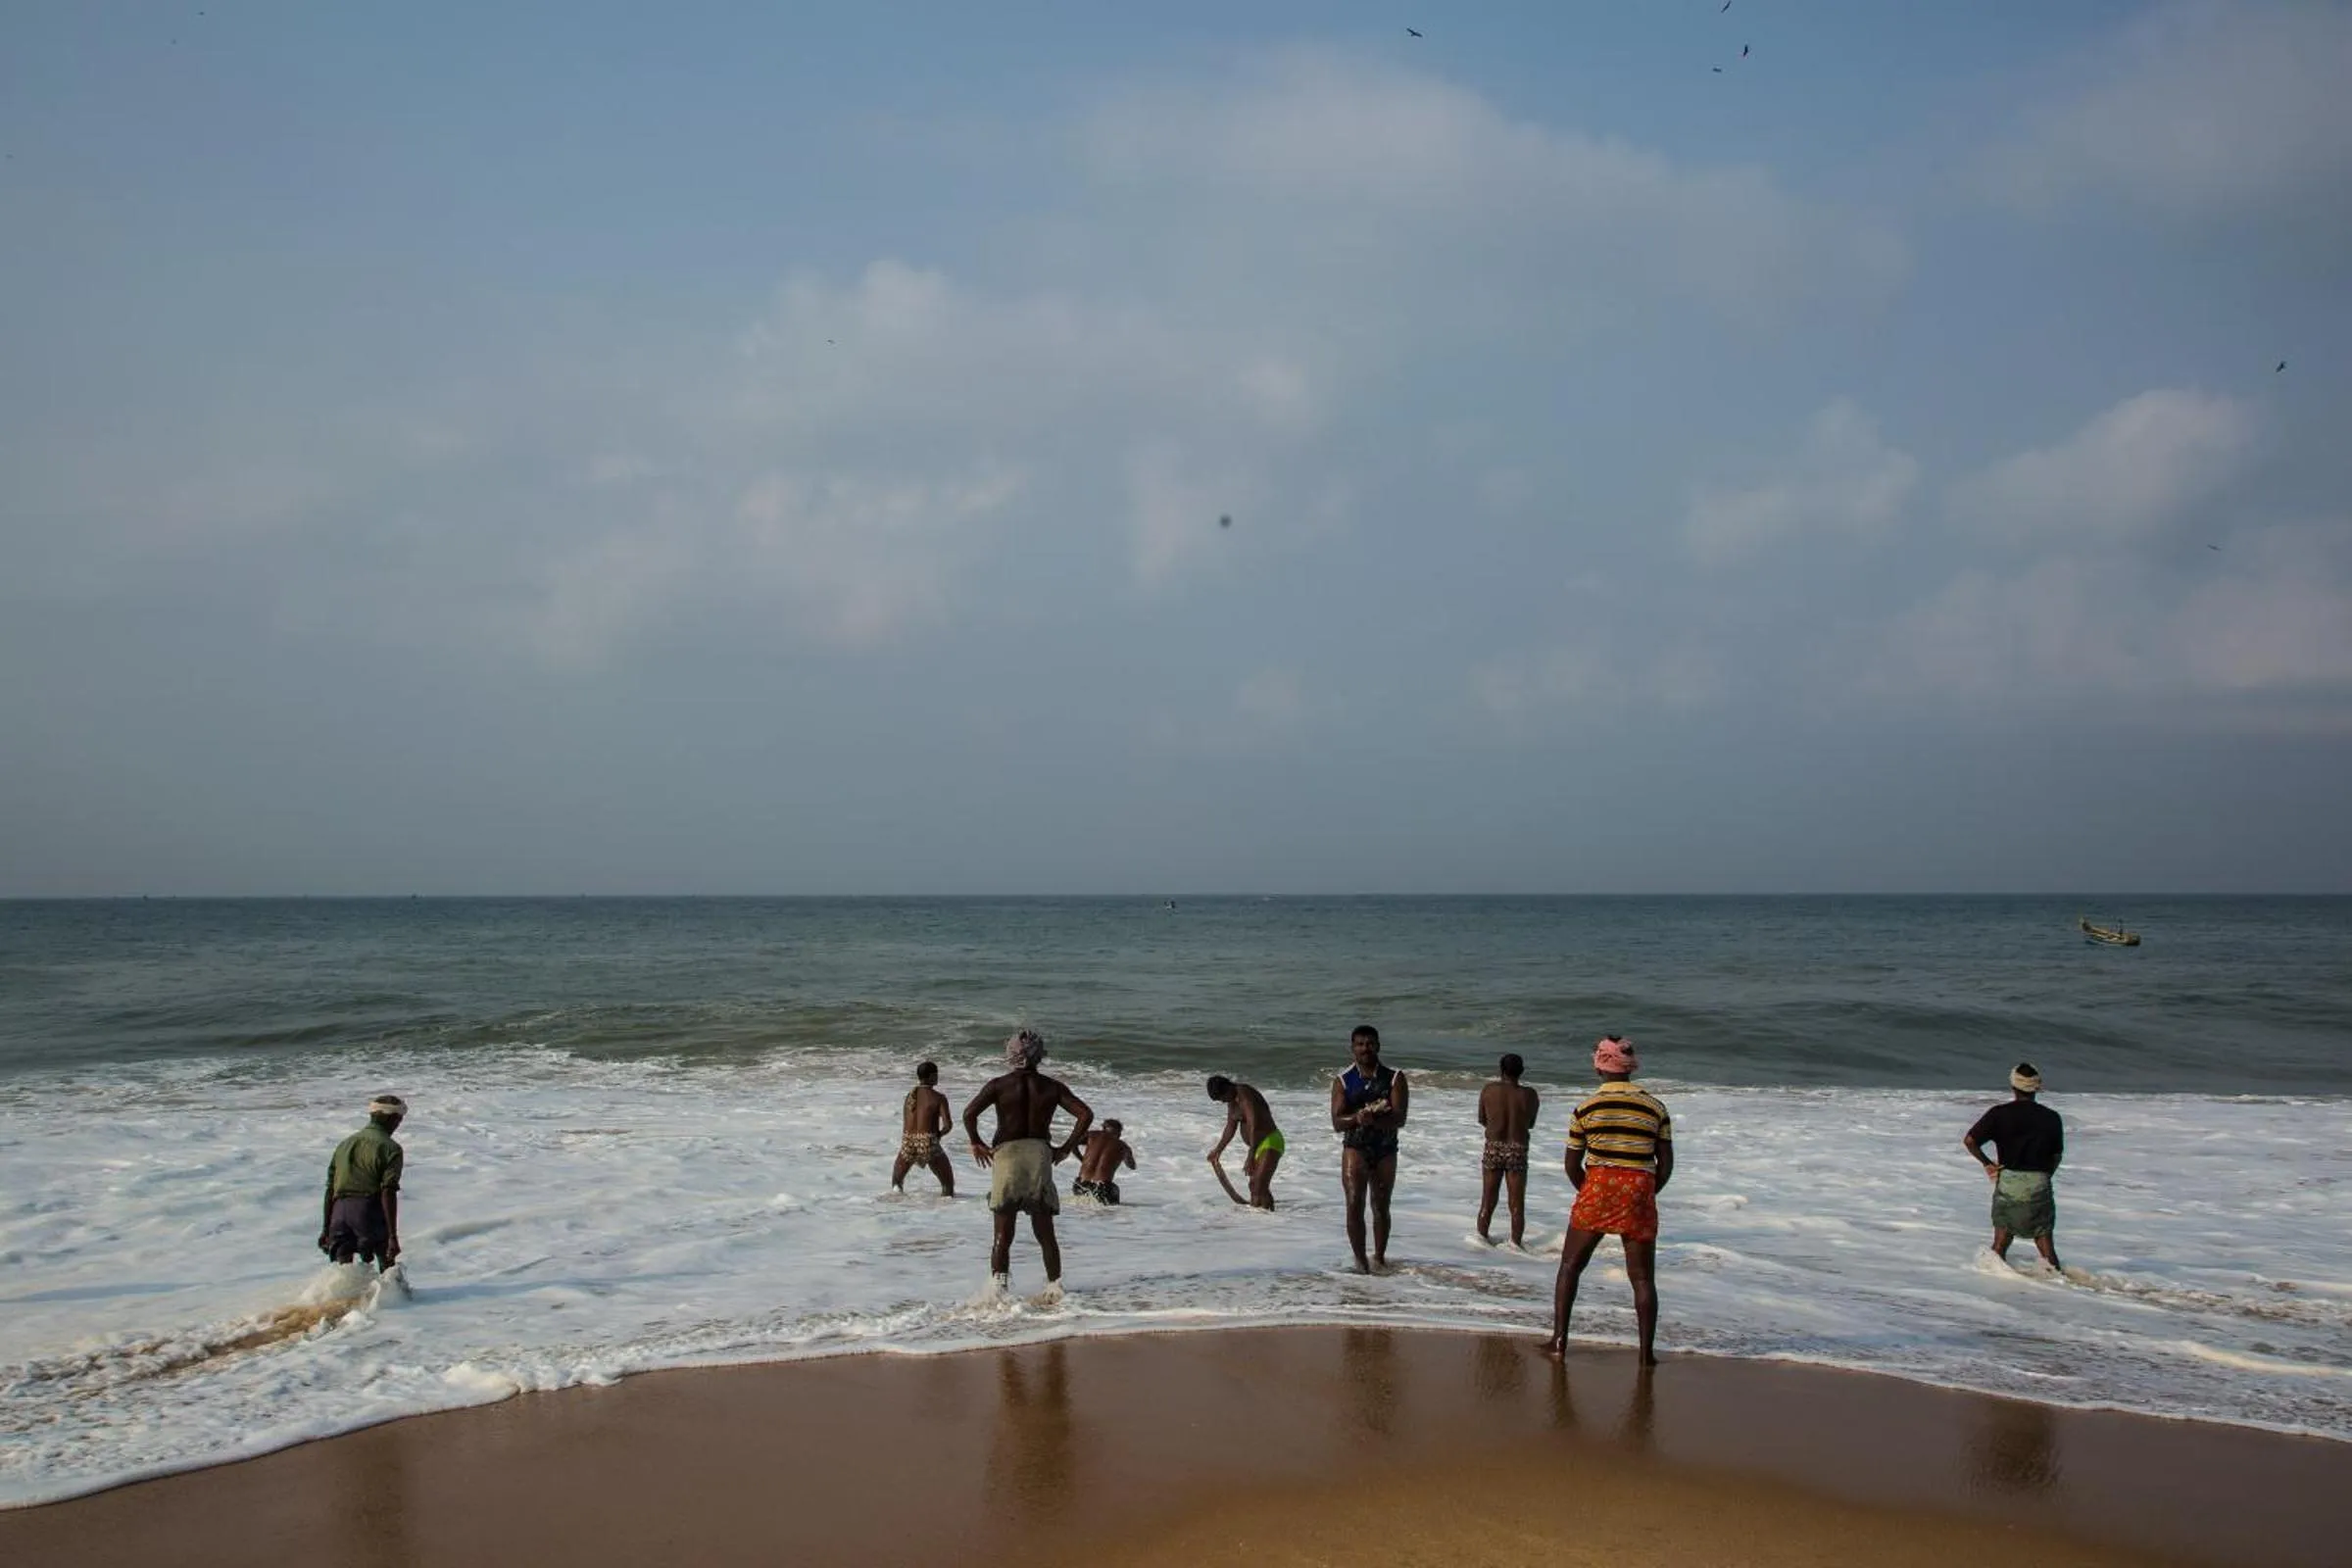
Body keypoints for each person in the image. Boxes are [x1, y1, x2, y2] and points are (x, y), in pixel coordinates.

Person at [1543, 1037, 1672, 1364]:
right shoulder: (1655, 1107)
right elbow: (1666, 1163)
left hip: (1598, 1186)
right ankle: (1646, 1354)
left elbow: (1572, 1163)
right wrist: (1646, 1192)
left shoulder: (1586, 1107)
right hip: (1639, 1188)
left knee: (1571, 1265)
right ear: (1629, 1068)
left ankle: (1559, 1341)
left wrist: (1588, 1189)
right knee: (1642, 1278)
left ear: (1600, 1066)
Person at [962, 1030, 1093, 1297]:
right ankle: (1054, 1288)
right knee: (1045, 1232)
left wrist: (976, 1141)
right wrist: (1066, 1148)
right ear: (1038, 1056)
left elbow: (969, 1113)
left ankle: (999, 1293)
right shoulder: (1051, 1087)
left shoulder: (999, 1085)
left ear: (1011, 1055)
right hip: (1039, 1154)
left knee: (1003, 1234)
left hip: (1007, 1155)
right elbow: (1085, 1114)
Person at [1962, 1062, 2066, 1272]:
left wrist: (1988, 1164)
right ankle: (2059, 1283)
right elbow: (2056, 1156)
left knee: (2000, 1242)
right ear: (2036, 1088)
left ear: (2013, 1086)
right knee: (2046, 1245)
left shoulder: (1999, 1114)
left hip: (2010, 1183)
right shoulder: (2052, 1118)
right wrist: (2044, 1178)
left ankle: (1994, 1284)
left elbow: (1970, 1141)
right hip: (2039, 1183)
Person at [1329, 1024, 1409, 1273]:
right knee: (1354, 1201)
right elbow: (1336, 1122)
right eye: (1360, 1044)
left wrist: (1375, 1120)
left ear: (1378, 1046)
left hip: (1385, 1147)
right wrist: (1356, 1119)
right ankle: (1361, 1262)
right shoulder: (1343, 1081)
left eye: (1370, 1043)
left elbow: (1400, 1118)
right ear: (1352, 1048)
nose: (1366, 1048)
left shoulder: (1395, 1078)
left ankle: (1380, 1257)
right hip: (1355, 1146)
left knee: (1381, 1205)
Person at [318, 1094, 406, 1271]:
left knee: (343, 1277)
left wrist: (326, 1229)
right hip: (368, 1212)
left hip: (338, 1214)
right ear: (393, 1119)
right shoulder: (391, 1148)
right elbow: (388, 1191)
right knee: (388, 1271)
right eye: (399, 1120)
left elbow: (330, 1190)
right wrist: (392, 1237)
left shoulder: (344, 1144)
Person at [1476, 1054, 1540, 1248]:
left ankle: (1481, 1242)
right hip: (1518, 1149)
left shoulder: (1489, 1090)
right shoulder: (1530, 1095)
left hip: (1493, 1147)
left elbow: (1482, 1119)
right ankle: (1516, 1245)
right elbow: (1530, 1124)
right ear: (1521, 1071)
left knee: (1488, 1200)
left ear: (1501, 1070)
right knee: (1517, 1204)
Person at [1205, 1074, 1285, 1208]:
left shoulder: (1245, 1095)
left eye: (1222, 1098)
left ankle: (1263, 1221)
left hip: (1270, 1141)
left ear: (1228, 1088)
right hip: (1258, 1146)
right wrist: (1218, 1150)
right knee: (1255, 1186)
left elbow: (1255, 1124)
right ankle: (1267, 1221)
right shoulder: (1232, 1100)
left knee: (1259, 1185)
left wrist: (1250, 1155)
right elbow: (1230, 1127)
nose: (1223, 1102)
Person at [892, 1061, 956, 1196]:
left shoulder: (910, 1096)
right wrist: (938, 1135)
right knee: (947, 1184)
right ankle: (945, 1212)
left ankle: (896, 1208)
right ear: (932, 1076)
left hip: (908, 1141)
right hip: (927, 1141)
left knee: (897, 1182)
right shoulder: (938, 1098)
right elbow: (948, 1126)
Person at [1072, 1119, 1136, 1203]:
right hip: (1102, 1188)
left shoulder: (1091, 1135)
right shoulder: (1123, 1146)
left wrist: (1082, 1159)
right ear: (1119, 1132)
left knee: (1083, 1210)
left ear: (1103, 1128)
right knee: (1109, 1208)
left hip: (1081, 1184)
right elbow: (1132, 1166)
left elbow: (1072, 1144)